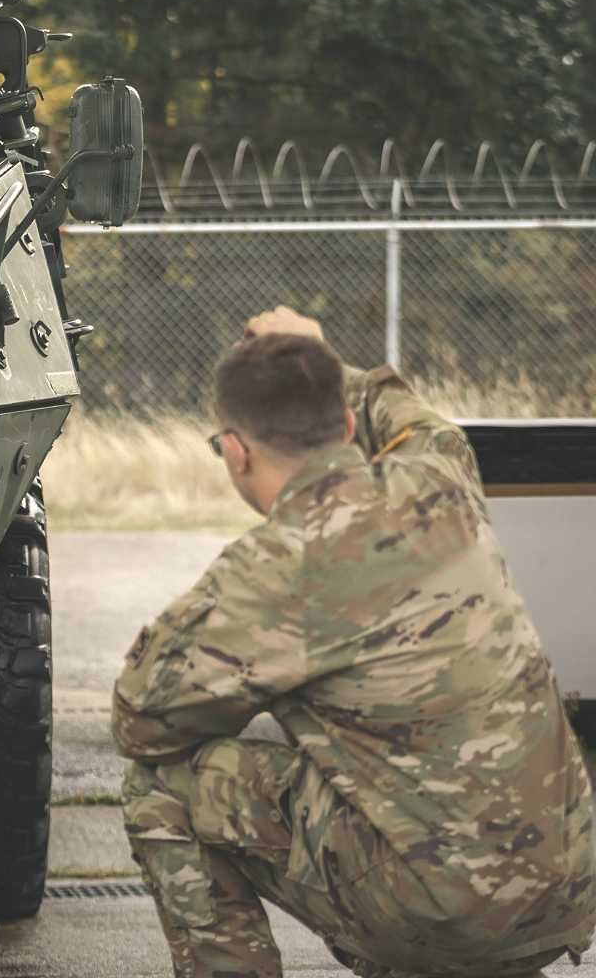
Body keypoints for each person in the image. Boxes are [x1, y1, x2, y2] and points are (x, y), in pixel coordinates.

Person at [115, 305, 596, 978]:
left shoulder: (271, 570)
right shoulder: (441, 477)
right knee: (390, 789)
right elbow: (421, 424)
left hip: (445, 913)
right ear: (346, 424)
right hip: (568, 886)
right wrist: (325, 358)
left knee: (160, 788)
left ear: (233, 450)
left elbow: (141, 724)